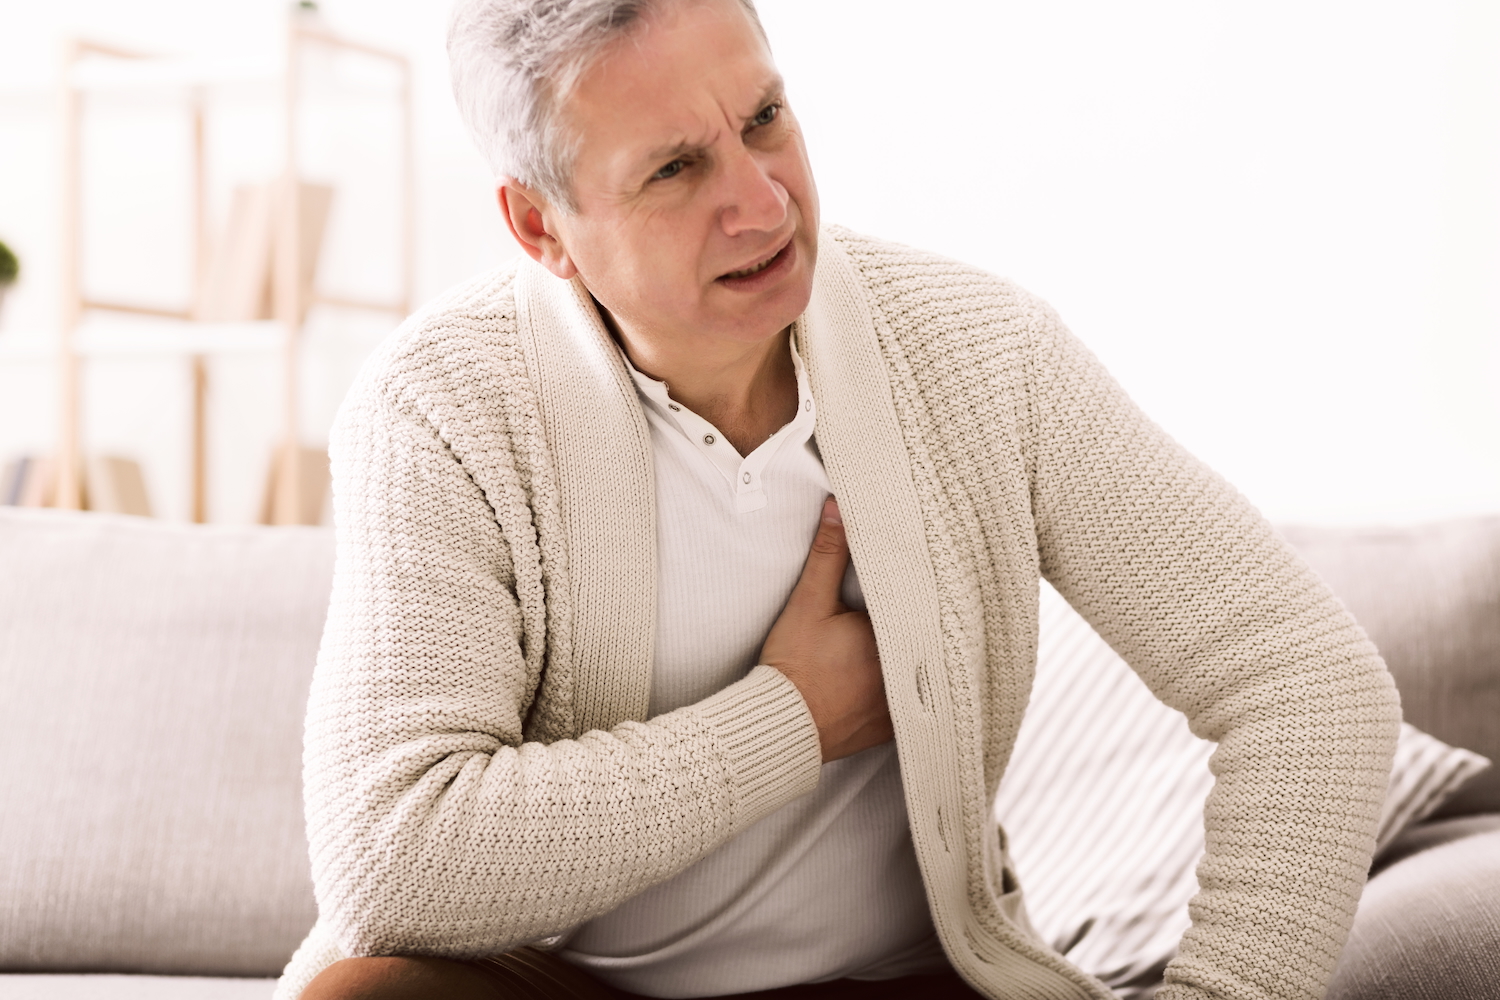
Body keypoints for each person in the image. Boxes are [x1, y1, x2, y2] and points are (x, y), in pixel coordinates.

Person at [274, 1, 1401, 998]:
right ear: (540, 228)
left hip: (889, 984)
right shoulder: (438, 408)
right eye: (674, 170)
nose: (760, 203)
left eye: (763, 119)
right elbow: (394, 860)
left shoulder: (982, 355)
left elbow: (1308, 683)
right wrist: (795, 718)